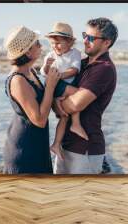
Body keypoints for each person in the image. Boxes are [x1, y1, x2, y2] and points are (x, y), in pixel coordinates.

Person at [54, 17, 118, 174]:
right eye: (84, 35)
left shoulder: (104, 69)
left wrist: (56, 102)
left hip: (86, 148)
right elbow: (58, 106)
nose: (84, 41)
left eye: (91, 38)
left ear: (106, 42)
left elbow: (75, 105)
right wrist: (56, 101)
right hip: (66, 144)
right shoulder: (80, 64)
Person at [2, 26, 61, 174]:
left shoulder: (31, 71)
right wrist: (50, 86)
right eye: (37, 43)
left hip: (36, 143)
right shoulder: (18, 80)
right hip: (24, 149)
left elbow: (43, 102)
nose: (41, 46)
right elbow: (39, 120)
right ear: (27, 52)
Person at [39, 23, 89, 163]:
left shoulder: (75, 54)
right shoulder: (50, 55)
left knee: (64, 117)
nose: (55, 46)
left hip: (63, 81)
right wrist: (48, 66)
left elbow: (74, 70)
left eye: (59, 43)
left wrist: (59, 75)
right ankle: (76, 124)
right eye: (53, 43)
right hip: (55, 85)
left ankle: (55, 144)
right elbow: (44, 73)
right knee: (79, 94)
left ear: (69, 42)